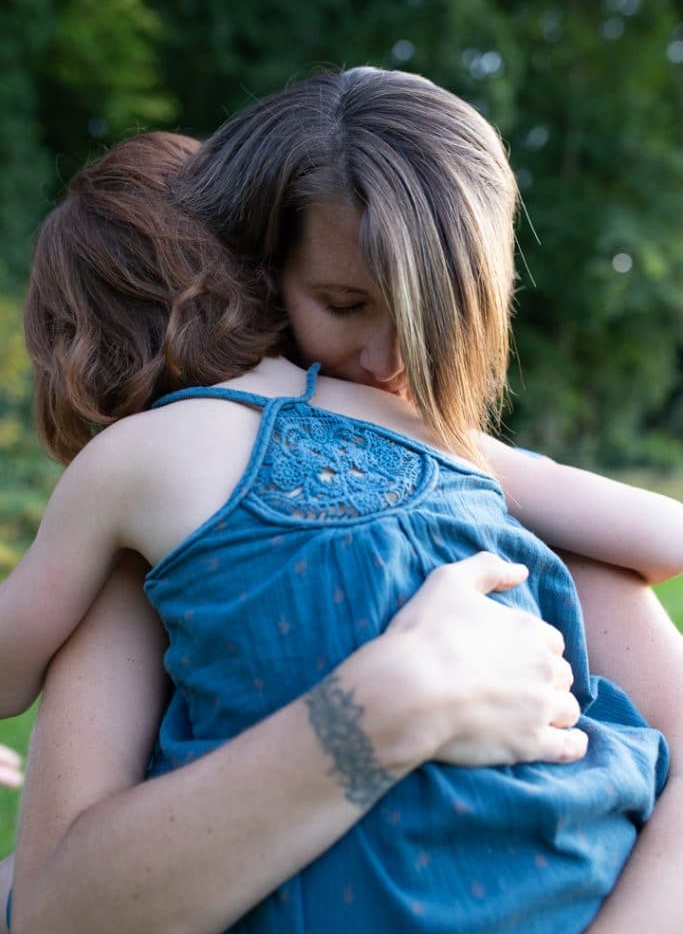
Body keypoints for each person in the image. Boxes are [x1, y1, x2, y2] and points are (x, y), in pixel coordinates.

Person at [3, 72, 682, 930]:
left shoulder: (126, 468)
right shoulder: (424, 434)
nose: (390, 357)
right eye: (342, 304)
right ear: (255, 272)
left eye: (431, 314)